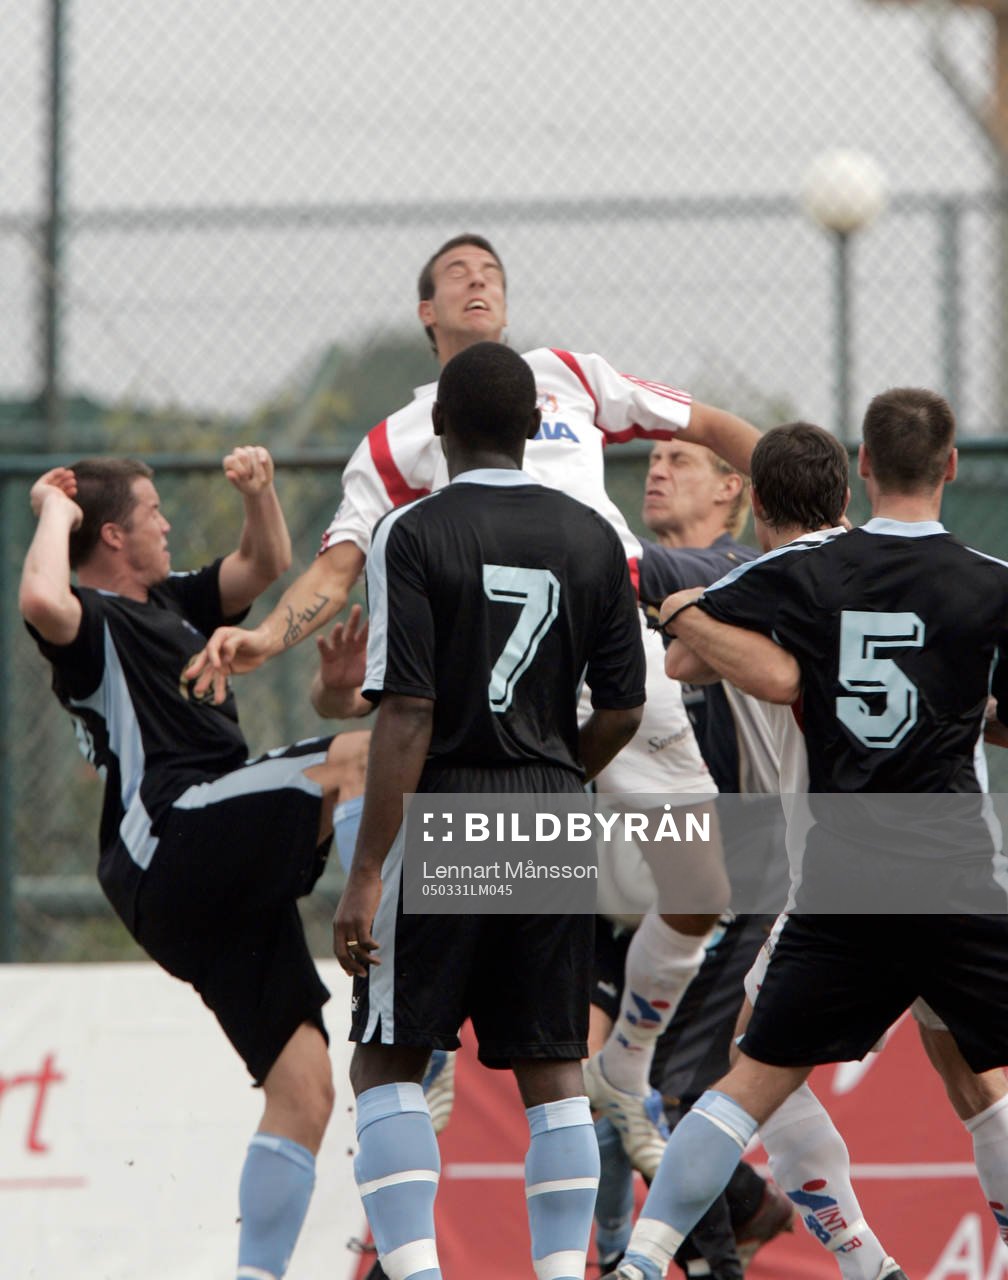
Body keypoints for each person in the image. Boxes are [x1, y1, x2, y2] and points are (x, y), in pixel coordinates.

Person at [184, 232, 763, 1175]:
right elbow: (337, 566)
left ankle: (626, 1063)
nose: (479, 278)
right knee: (460, 926)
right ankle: (437, 1047)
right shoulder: (399, 440)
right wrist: (265, 636)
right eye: (456, 272)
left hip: (611, 653)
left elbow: (706, 420)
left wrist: (798, 502)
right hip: (490, 699)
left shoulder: (567, 374)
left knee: (704, 884)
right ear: (426, 311)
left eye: (491, 270)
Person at [606, 388, 1008, 1280]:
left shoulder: (790, 581)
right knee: (979, 1084)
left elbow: (693, 659)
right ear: (948, 467)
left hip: (831, 873)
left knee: (752, 1072)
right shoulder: (982, 579)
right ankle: (860, 1257)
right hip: (953, 864)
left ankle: (714, 1257)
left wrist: (690, 610)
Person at [333, 341, 646, 1280]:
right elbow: (624, 707)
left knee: (387, 1061)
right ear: (529, 431)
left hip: (450, 807)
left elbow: (409, 712)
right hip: (551, 807)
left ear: (439, 428)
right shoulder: (592, 533)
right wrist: (551, 775)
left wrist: (367, 870)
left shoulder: (414, 531)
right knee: (551, 1070)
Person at [19, 449, 367, 1280]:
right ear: (110, 534)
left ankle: (256, 1275)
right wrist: (49, 507)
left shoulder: (172, 599)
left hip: (211, 879)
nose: (167, 523)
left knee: (307, 1089)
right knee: (361, 759)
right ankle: (401, 980)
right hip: (178, 837)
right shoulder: (92, 622)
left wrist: (261, 494)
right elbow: (38, 595)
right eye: (151, 513)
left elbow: (267, 564)